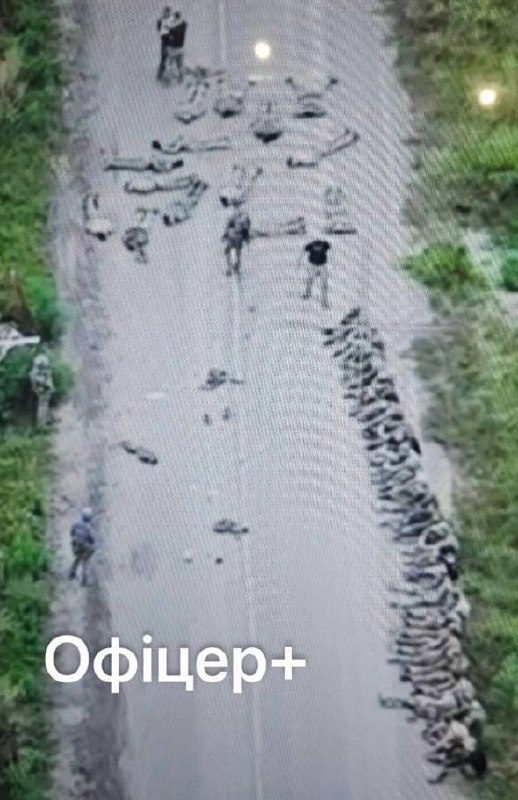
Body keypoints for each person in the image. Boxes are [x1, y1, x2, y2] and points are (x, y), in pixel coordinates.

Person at [157, 9, 187, 82]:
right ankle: (165, 75)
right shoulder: (170, 23)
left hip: (175, 47)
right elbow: (162, 31)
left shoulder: (180, 24)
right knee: (169, 61)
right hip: (170, 46)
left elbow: (175, 31)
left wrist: (168, 29)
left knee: (174, 62)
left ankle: (175, 77)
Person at [69, 508, 96, 587]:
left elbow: (71, 533)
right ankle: (84, 581)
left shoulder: (76, 524)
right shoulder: (89, 528)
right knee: (85, 561)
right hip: (85, 548)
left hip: (76, 547)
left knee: (77, 558)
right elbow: (92, 540)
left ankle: (71, 574)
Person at [301, 239, 331, 308]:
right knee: (309, 281)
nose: (317, 248)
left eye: (319, 247)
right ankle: (307, 294)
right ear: (313, 246)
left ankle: (324, 302)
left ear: (321, 246)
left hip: (322, 266)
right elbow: (305, 248)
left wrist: (325, 243)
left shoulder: (325, 246)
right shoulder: (310, 246)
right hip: (313, 266)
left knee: (324, 284)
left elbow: (329, 246)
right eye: (315, 247)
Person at [222, 209, 251, 277]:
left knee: (229, 251)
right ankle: (235, 267)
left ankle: (232, 267)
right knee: (235, 252)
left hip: (234, 237)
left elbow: (228, 229)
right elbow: (245, 230)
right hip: (236, 238)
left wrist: (225, 235)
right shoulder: (241, 220)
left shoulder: (234, 219)